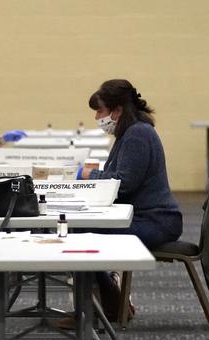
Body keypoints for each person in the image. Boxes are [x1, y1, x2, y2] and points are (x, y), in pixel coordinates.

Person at [77, 79, 184, 318]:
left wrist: (87, 174)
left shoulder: (137, 135)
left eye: (100, 111)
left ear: (117, 110)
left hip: (156, 221)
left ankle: (105, 301)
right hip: (144, 216)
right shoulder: (130, 132)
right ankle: (106, 300)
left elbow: (123, 184)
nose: (97, 117)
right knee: (79, 229)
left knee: (80, 235)